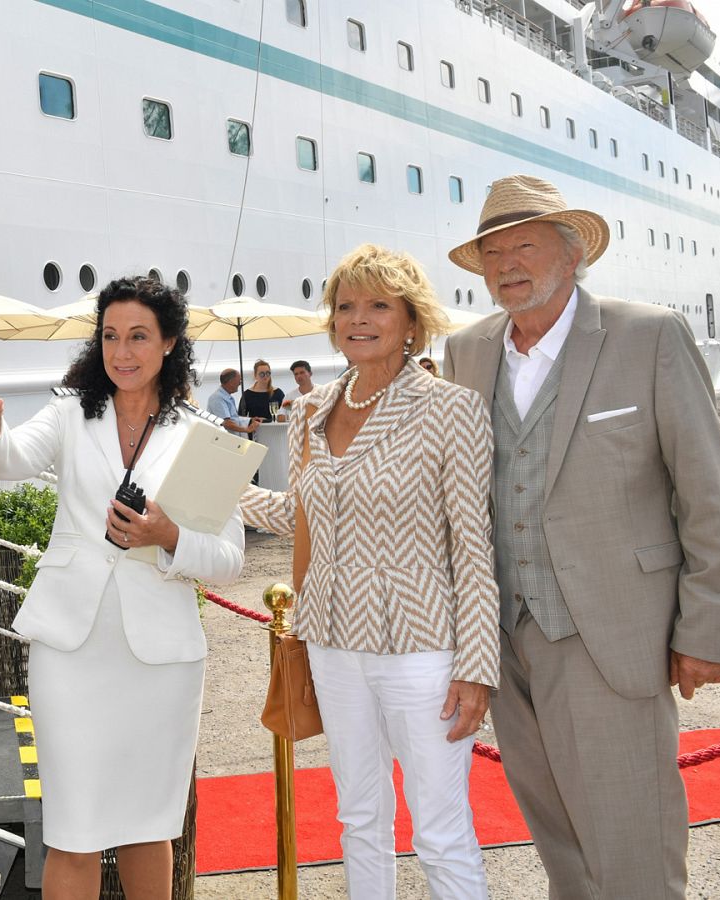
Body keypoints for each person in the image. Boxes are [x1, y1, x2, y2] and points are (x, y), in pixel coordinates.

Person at [444, 174, 720, 898]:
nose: (508, 265)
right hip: (505, 642)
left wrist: (707, 626)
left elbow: (706, 493)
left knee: (632, 843)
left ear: (572, 254)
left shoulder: (648, 336)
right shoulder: (468, 352)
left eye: (525, 246)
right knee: (559, 843)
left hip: (612, 632)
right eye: (493, 253)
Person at [0, 276, 244, 900]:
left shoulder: (203, 438)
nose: (123, 351)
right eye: (111, 336)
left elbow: (228, 559)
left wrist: (168, 537)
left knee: (148, 827)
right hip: (70, 648)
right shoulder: (69, 412)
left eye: (139, 336)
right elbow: (13, 459)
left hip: (161, 658)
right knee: (72, 829)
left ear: (169, 343)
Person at [241, 244, 496, 899]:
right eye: (345, 306)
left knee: (440, 828)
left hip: (423, 649)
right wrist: (208, 488)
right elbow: (303, 517)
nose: (358, 318)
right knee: (358, 817)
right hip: (331, 641)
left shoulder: (451, 410)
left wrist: (478, 666)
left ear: (412, 321)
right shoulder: (307, 412)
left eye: (378, 304)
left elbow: (474, 547)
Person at [204, 368, 254, 436]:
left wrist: (251, 420)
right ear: (231, 382)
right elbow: (226, 423)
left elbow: (234, 419)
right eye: (239, 380)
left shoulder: (228, 397)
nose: (240, 383)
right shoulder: (217, 398)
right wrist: (247, 430)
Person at [240, 359, 285, 424]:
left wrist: (267, 420)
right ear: (255, 375)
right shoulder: (247, 394)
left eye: (268, 373)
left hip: (275, 430)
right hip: (255, 430)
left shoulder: (278, 393)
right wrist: (254, 420)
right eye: (262, 374)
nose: (265, 376)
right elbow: (241, 418)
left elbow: (285, 414)